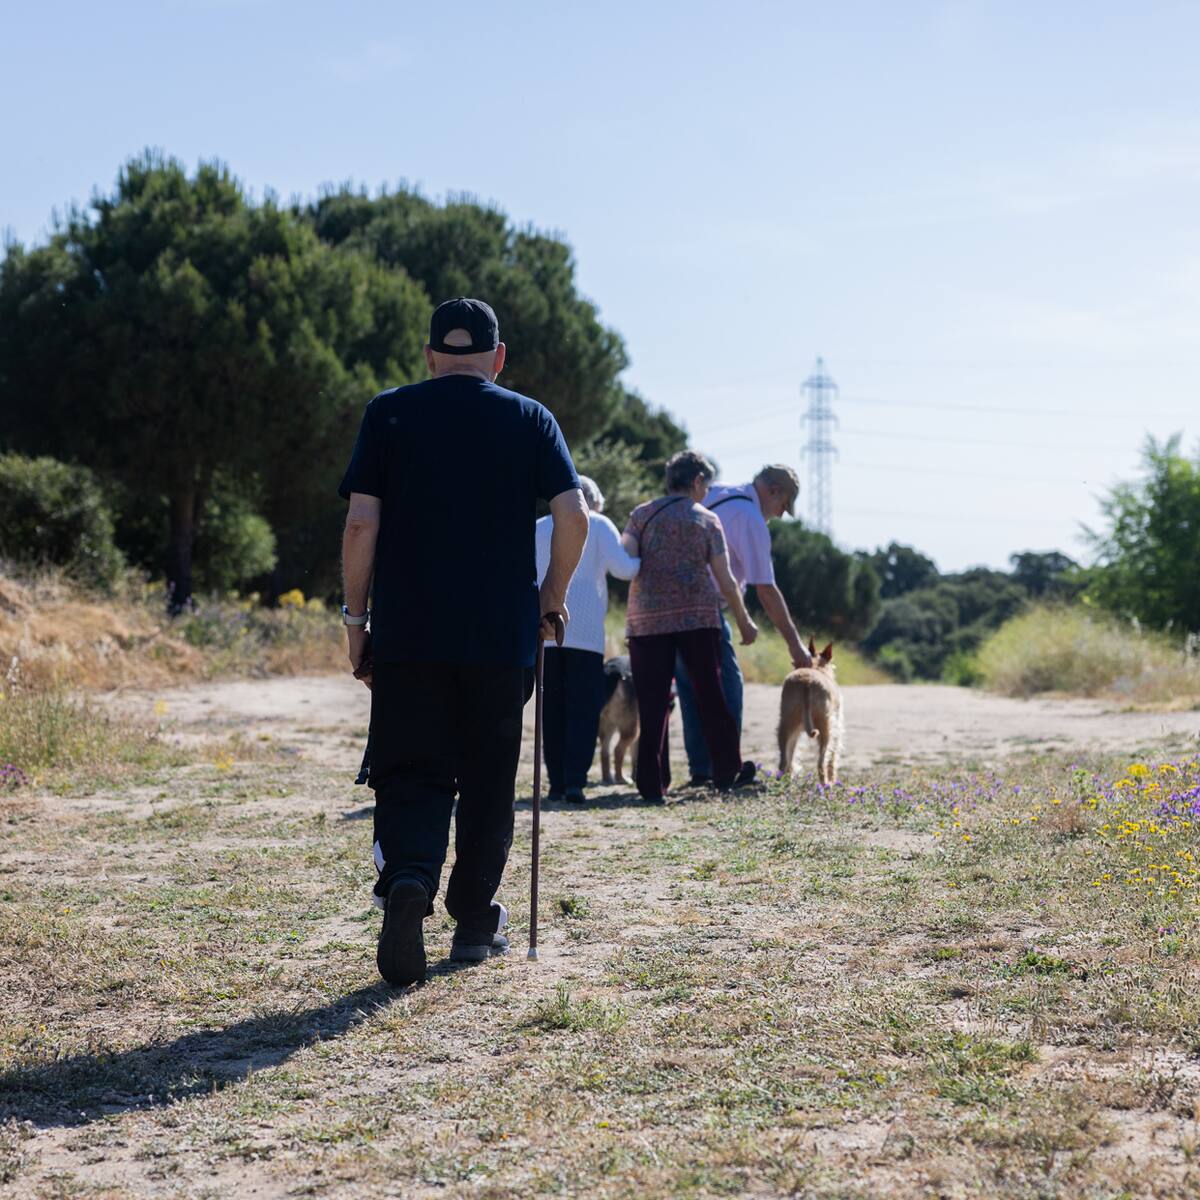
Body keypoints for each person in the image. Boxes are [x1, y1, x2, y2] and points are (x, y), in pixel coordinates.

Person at [340, 297, 589, 987]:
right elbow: (573, 516)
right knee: (487, 778)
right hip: (499, 637)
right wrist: (552, 598)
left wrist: (355, 621)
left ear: (428, 357)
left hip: (409, 635)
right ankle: (474, 921)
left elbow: (362, 525)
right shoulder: (528, 416)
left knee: (411, 769)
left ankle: (410, 878)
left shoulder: (389, 412)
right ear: (498, 358)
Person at [620, 450, 758, 802]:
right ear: (697, 481)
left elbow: (626, 560)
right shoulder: (707, 520)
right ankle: (726, 772)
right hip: (697, 618)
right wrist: (743, 621)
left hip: (647, 619)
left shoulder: (641, 514)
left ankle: (652, 785)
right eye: (706, 485)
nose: (706, 492)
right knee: (710, 695)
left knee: (652, 702)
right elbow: (725, 579)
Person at [676, 464, 812, 787]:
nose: (780, 515)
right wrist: (795, 644)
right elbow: (765, 588)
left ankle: (701, 769)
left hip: (671, 602)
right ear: (774, 491)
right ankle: (726, 768)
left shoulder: (720, 492)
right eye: (783, 506)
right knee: (729, 687)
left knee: (690, 688)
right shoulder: (750, 519)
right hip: (706, 605)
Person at [535, 475, 639, 804]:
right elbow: (625, 569)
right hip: (587, 633)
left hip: (546, 629)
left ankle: (554, 782)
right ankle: (575, 783)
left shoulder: (538, 526)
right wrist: (639, 551)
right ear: (594, 501)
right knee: (582, 709)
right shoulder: (597, 522)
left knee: (551, 710)